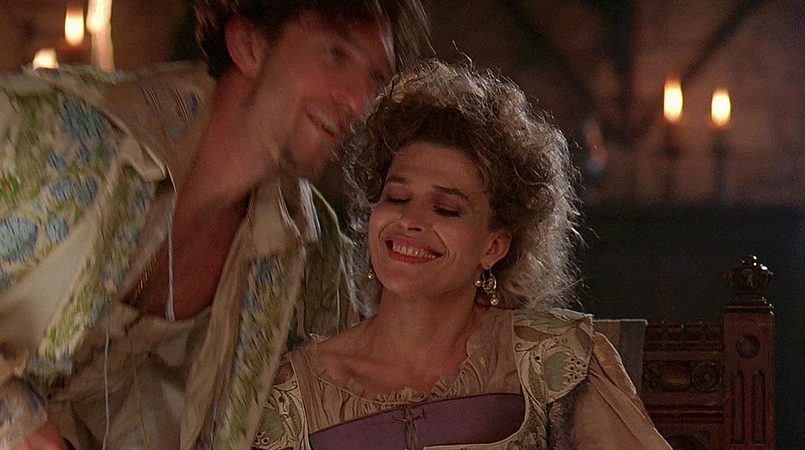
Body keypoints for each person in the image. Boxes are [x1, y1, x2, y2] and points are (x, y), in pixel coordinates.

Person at [0, 1, 429, 449]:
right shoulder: (35, 134)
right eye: (335, 54)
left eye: (375, 79)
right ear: (247, 44)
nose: (358, 101)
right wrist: (1, 410)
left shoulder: (315, 263)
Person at [252, 60, 672, 449]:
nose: (410, 221)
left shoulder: (553, 362)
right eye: (397, 198)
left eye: (446, 209)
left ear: (493, 246)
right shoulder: (295, 392)